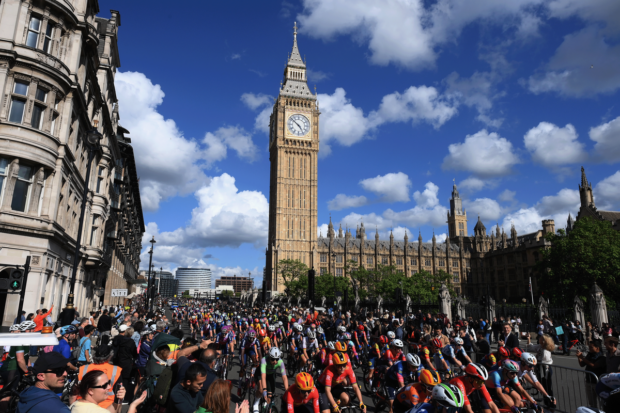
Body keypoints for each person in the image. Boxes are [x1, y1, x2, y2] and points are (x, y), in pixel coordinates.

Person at [77, 335, 123, 410]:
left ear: (95, 355)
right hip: (107, 407)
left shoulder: (83, 368)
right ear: (110, 356)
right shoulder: (115, 370)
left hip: (83, 406)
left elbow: (74, 392)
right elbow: (119, 394)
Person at [70, 370, 146, 413]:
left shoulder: (76, 404)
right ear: (90, 391)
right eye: (104, 385)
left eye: (109, 383)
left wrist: (117, 400)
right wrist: (133, 407)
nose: (109, 387)